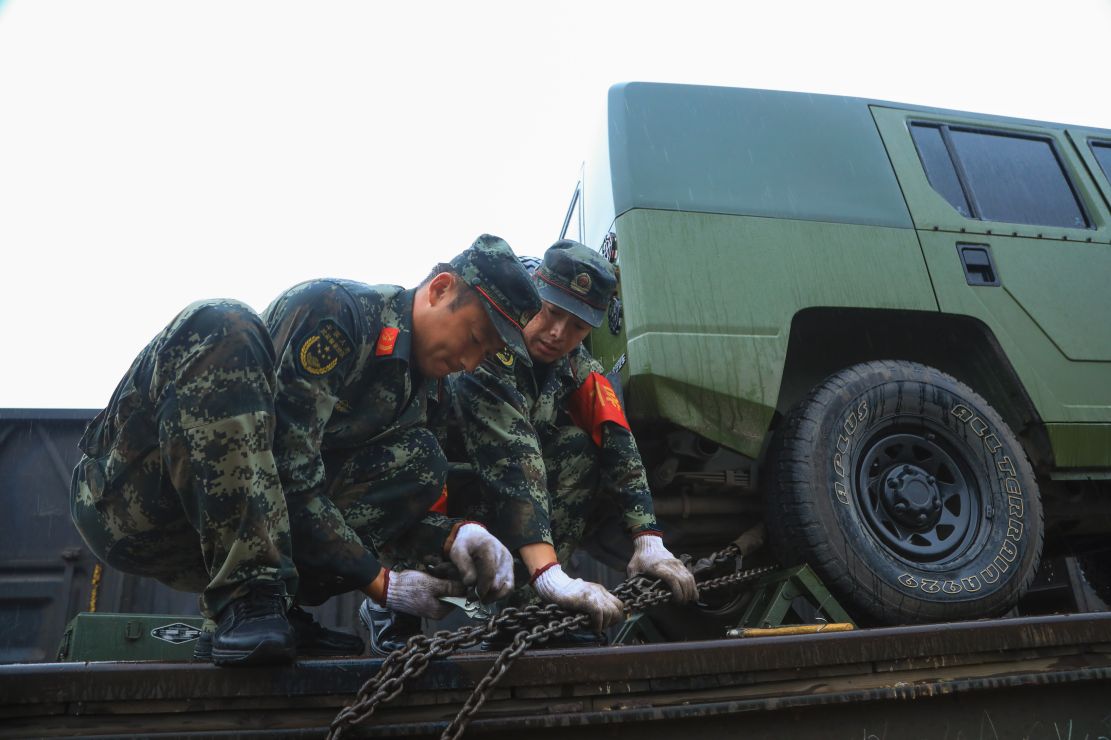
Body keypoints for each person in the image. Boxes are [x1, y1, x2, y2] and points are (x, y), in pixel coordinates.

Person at [70, 234, 540, 666]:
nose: (470, 361)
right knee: (222, 321)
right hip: (134, 501)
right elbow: (287, 467)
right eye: (475, 337)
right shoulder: (338, 314)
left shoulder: (420, 396)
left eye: (487, 352)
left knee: (422, 460)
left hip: (208, 542)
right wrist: (383, 584)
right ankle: (248, 596)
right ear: (439, 289)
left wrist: (451, 535)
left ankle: (272, 604)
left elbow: (337, 497)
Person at [360, 240, 696, 654]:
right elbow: (514, 456)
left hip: (509, 496)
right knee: (419, 467)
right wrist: (550, 574)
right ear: (533, 292)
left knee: (578, 451)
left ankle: (525, 607)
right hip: (440, 491)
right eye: (551, 313)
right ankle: (391, 605)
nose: (558, 334)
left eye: (577, 326)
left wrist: (648, 538)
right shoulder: (487, 339)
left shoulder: (573, 366)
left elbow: (616, 436)